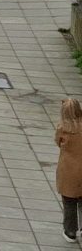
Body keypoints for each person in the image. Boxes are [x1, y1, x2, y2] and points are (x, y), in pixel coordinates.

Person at [59, 99, 82, 241]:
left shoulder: (63, 128)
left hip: (69, 170)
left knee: (69, 201)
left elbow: (58, 142)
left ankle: (70, 232)